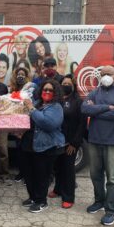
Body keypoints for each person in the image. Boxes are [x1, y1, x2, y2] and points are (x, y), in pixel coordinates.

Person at [81, 65, 114, 226]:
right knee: (95, 174)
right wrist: (105, 107)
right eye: (103, 74)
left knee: (113, 178)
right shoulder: (96, 92)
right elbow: (84, 108)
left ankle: (111, 210)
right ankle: (99, 201)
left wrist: (96, 111)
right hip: (95, 139)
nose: (106, 76)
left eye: (109, 73)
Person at [22, 79, 65, 213]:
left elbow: (47, 123)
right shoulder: (37, 103)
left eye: (50, 90)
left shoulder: (56, 107)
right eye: (45, 89)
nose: (46, 92)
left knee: (42, 175)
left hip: (46, 147)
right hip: (29, 144)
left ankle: (41, 201)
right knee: (29, 174)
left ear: (55, 92)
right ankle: (33, 197)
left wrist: (31, 108)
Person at [48, 75, 86, 209]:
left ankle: (68, 197)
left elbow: (82, 124)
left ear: (74, 86)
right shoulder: (56, 100)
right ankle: (58, 190)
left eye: (68, 83)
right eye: (63, 83)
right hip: (57, 141)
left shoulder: (78, 101)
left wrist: (75, 143)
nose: (65, 85)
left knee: (68, 169)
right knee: (57, 167)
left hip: (70, 142)